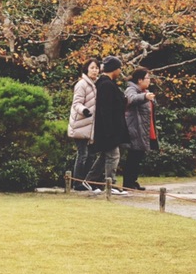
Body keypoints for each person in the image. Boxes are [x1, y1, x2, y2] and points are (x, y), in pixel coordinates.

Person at [86, 58, 129, 190]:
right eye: (119, 68)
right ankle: (111, 184)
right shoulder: (106, 85)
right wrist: (109, 130)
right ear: (114, 69)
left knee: (106, 155)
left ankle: (90, 180)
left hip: (109, 127)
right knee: (113, 156)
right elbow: (105, 109)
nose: (120, 71)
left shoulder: (106, 83)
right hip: (108, 129)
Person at [122, 67, 157, 192]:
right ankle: (128, 182)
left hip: (143, 128)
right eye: (147, 78)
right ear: (140, 79)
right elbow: (131, 99)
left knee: (138, 155)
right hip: (135, 128)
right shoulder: (131, 89)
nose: (149, 81)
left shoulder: (144, 91)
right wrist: (145, 96)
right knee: (133, 156)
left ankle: (133, 181)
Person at [67, 59, 100, 187]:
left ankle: (87, 182)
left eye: (96, 68)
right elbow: (76, 104)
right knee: (83, 155)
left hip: (91, 126)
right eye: (92, 67)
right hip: (80, 124)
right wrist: (84, 110)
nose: (95, 70)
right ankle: (77, 183)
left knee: (91, 155)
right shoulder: (82, 84)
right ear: (86, 69)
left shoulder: (95, 84)